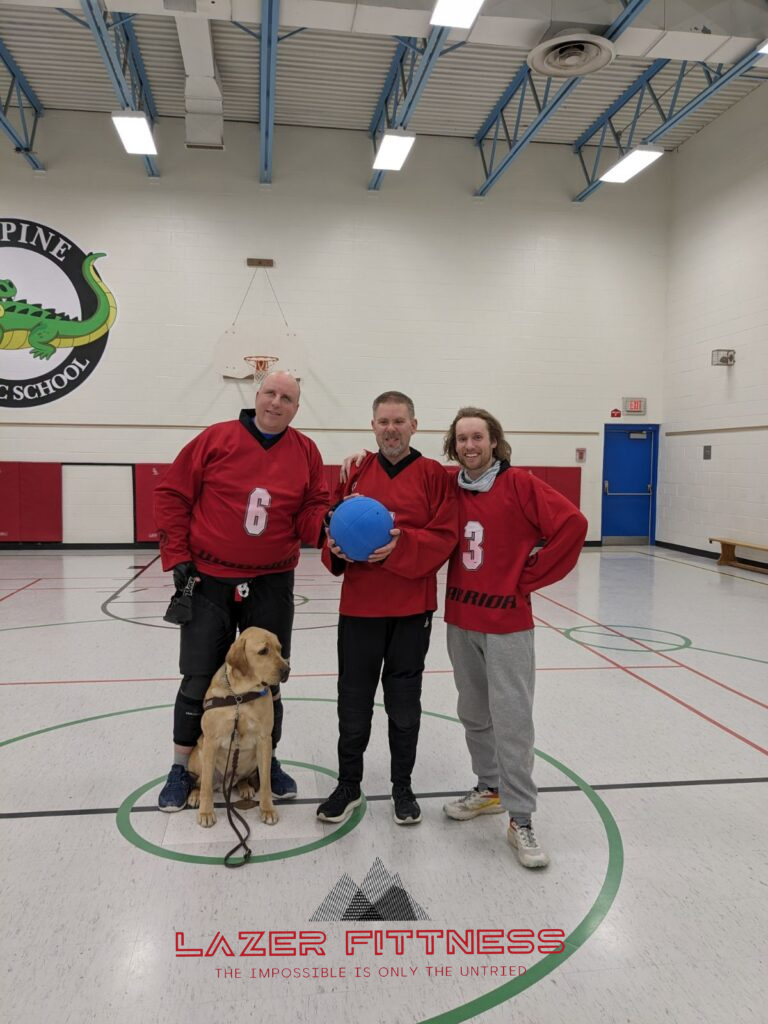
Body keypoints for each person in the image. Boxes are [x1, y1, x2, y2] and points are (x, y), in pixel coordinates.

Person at [154, 371, 330, 811]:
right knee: (199, 676)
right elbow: (173, 494)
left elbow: (313, 508)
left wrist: (329, 532)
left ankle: (264, 763)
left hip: (272, 578)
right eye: (270, 393)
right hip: (211, 577)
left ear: (296, 407)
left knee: (270, 675)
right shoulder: (216, 439)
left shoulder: (306, 451)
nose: (276, 402)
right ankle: (181, 768)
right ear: (257, 396)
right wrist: (177, 555)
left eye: (287, 397)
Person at [441, 407, 587, 868]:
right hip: (460, 619)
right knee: (473, 710)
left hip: (507, 623)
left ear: (493, 441)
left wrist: (529, 578)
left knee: (512, 719)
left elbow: (573, 525)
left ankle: (520, 817)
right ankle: (490, 788)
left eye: (477, 437)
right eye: (462, 438)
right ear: (454, 445)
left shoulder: (520, 483)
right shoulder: (450, 487)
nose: (469, 446)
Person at [316, 391, 458, 827]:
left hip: (412, 609)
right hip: (360, 608)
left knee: (404, 702)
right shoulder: (354, 471)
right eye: (383, 422)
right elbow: (330, 525)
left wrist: (400, 547)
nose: (391, 429)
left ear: (415, 425)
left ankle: (402, 787)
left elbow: (446, 536)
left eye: (399, 421)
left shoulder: (435, 476)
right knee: (353, 701)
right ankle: (348, 784)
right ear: (372, 426)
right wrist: (335, 547)